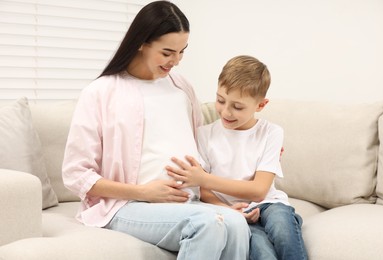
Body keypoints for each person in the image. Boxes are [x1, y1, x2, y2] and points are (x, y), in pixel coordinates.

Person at [62, 2, 250, 259]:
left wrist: (255, 142)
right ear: (142, 43)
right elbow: (76, 174)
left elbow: (202, 149)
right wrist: (143, 192)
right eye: (167, 52)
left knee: (237, 225)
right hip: (127, 206)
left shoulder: (181, 87)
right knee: (205, 224)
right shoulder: (100, 92)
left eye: (182, 52)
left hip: (187, 203)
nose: (176, 61)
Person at [166, 55, 308, 260]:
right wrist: (229, 210)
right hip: (232, 211)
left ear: (260, 105)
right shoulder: (205, 135)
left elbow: (259, 191)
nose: (226, 111)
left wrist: (204, 178)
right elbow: (204, 192)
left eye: (238, 107)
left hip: (269, 204)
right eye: (220, 100)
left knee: (283, 231)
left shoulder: (271, 133)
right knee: (263, 253)